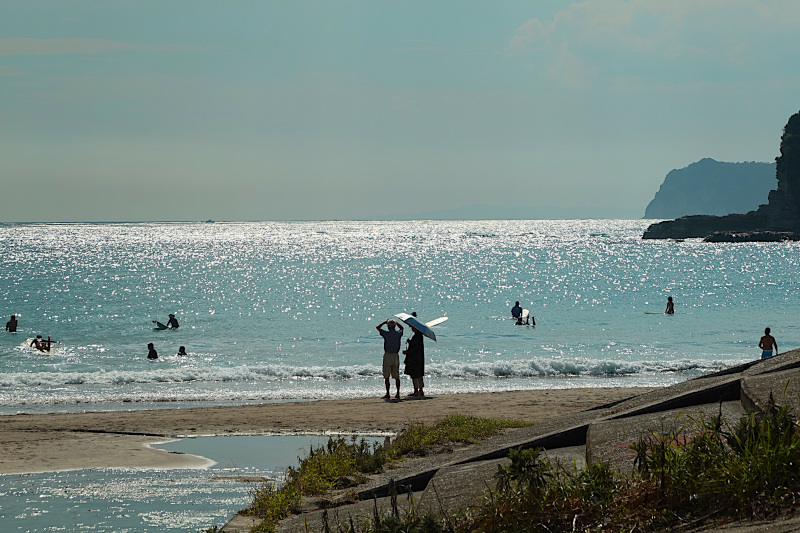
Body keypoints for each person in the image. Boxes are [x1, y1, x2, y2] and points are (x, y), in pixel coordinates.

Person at [376, 319, 403, 399]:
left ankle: (388, 393)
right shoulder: (398, 334)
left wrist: (384, 322)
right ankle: (398, 393)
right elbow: (402, 328)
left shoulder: (386, 334)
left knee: (386, 375)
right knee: (396, 375)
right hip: (396, 355)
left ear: (388, 326)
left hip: (388, 355)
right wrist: (397, 323)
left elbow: (378, 327)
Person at [403, 327, 425, 397]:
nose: (411, 328)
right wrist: (410, 342)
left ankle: (416, 390)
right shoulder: (419, 336)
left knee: (414, 374)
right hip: (419, 358)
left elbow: (415, 349)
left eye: (412, 327)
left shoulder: (417, 337)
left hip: (414, 359)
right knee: (419, 374)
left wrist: (407, 352)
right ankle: (420, 390)